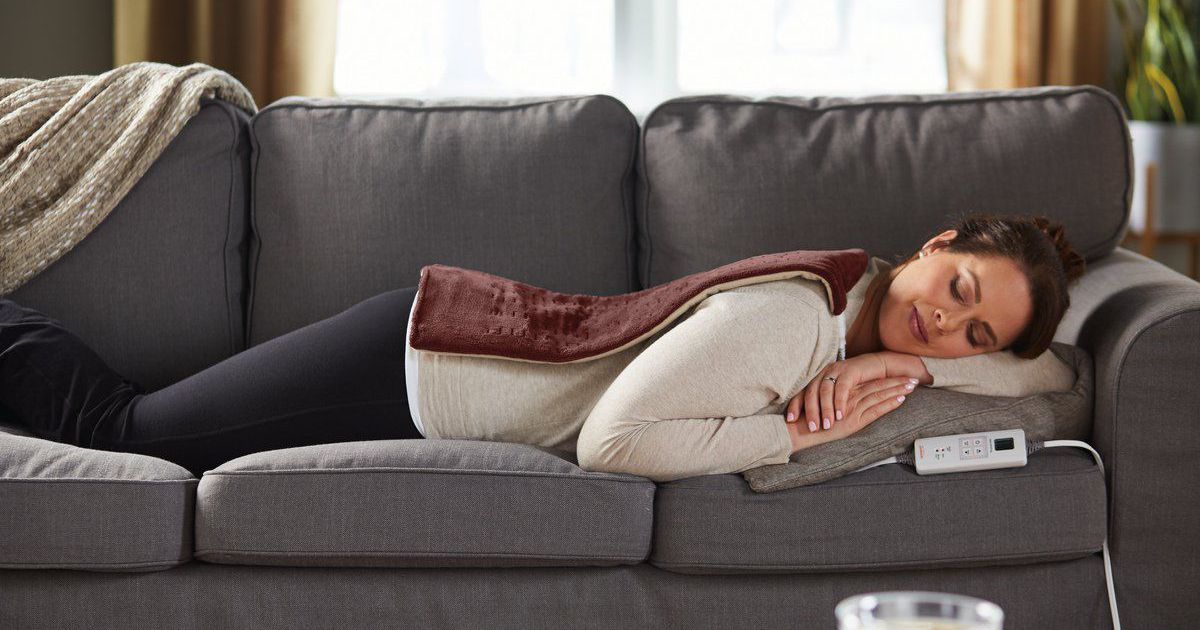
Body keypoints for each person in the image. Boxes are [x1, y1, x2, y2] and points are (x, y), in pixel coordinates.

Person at [0, 214, 1085, 481]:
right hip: (420, 372)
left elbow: (1052, 373)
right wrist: (795, 437)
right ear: (935, 246)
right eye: (957, 290)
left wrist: (915, 366)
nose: (946, 326)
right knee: (127, 434)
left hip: (437, 351)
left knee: (144, 415)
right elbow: (614, 444)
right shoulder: (797, 319)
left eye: (974, 333)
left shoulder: (857, 307)